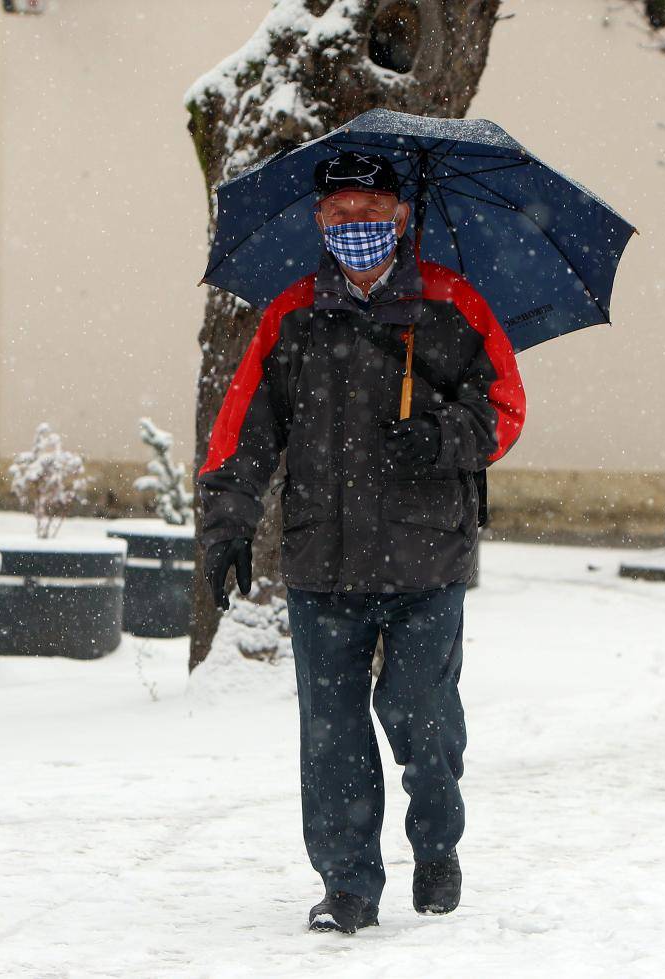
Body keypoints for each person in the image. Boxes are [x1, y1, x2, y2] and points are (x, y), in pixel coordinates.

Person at [196, 150, 525, 934]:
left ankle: (437, 840)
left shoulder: (453, 306)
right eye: (341, 215)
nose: (358, 228)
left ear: (404, 216)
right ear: (319, 221)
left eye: (372, 213)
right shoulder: (292, 315)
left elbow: (504, 411)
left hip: (427, 559)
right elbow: (242, 432)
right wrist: (228, 526)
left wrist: (441, 437)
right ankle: (348, 883)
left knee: (421, 712)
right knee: (332, 733)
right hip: (322, 561)